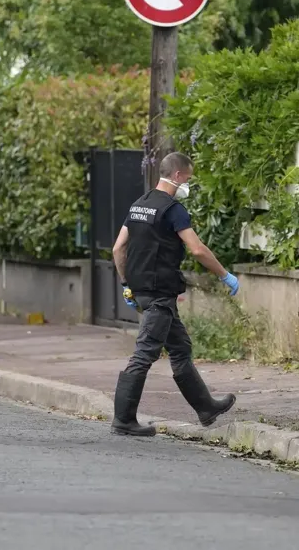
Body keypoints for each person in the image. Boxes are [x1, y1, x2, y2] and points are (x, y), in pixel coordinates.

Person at [110, 152, 241, 437]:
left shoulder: (138, 206)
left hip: (143, 290)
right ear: (178, 176)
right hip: (160, 294)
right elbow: (197, 249)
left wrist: (125, 285)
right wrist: (224, 274)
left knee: (180, 348)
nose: (188, 184)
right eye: (189, 178)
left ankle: (206, 408)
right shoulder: (173, 209)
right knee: (144, 354)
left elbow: (118, 248)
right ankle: (123, 420)